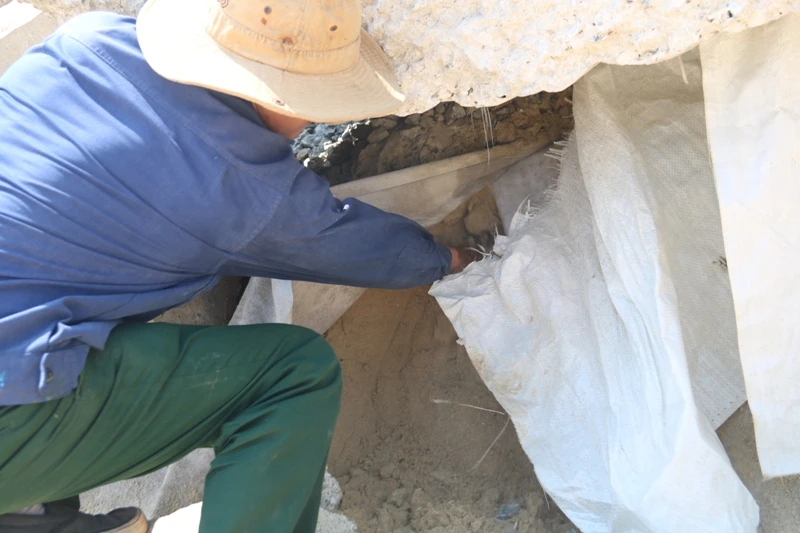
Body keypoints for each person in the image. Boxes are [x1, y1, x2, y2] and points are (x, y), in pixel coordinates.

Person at [0, 0, 479, 530]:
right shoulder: (245, 187)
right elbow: (358, 247)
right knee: (294, 375)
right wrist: (452, 259)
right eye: (315, 101)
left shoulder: (86, 41)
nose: (313, 120)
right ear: (274, 90)